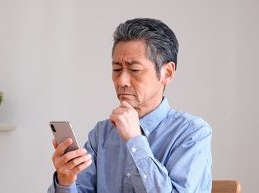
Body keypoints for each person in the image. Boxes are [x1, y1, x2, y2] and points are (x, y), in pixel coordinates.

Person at [48, 18, 212, 193]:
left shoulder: (193, 133)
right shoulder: (101, 134)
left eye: (135, 70)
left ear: (167, 73)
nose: (121, 80)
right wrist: (65, 182)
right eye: (117, 69)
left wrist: (135, 141)